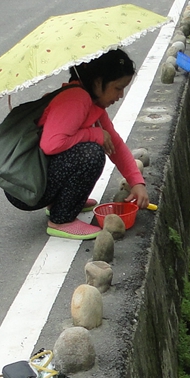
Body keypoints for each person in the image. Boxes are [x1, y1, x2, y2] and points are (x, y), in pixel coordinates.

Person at [36, 49, 149, 239]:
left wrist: (136, 182)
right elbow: (51, 145)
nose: (120, 95)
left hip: (43, 177)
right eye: (118, 88)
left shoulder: (92, 104)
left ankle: (62, 202)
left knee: (95, 145)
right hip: (31, 185)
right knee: (91, 153)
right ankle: (61, 219)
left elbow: (115, 145)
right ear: (98, 82)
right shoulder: (76, 99)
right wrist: (94, 134)